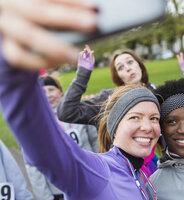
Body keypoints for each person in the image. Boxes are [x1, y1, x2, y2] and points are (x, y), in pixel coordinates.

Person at [0, 46, 161, 200]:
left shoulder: (141, 174)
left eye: (154, 118)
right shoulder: (97, 173)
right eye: (134, 117)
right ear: (114, 125)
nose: (147, 127)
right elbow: (43, 144)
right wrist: (11, 62)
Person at [25, 75, 99, 200]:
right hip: (60, 191)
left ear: (60, 91)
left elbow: (95, 142)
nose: (48, 95)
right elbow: (33, 167)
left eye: (51, 89)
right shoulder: (33, 125)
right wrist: (46, 197)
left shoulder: (79, 111)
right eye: (42, 92)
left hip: (90, 180)